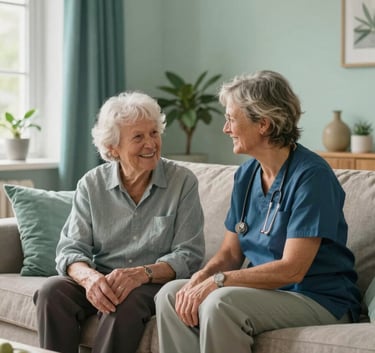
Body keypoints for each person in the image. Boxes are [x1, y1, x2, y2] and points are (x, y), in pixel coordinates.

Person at [155, 70, 361, 353]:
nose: (225, 129)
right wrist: (199, 279)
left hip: (318, 297)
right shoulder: (247, 175)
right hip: (267, 293)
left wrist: (219, 282)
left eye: (230, 118)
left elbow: (293, 269)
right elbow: (230, 254)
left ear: (263, 124)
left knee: (221, 302)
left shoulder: (312, 177)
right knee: (171, 294)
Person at [33, 91, 205, 353]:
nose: (151, 144)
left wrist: (139, 274)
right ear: (113, 148)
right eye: (138, 137)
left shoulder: (182, 182)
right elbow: (70, 249)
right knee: (51, 292)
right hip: (103, 277)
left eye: (154, 133)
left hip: (151, 284)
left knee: (126, 302)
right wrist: (90, 279)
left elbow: (189, 255)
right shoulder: (91, 184)